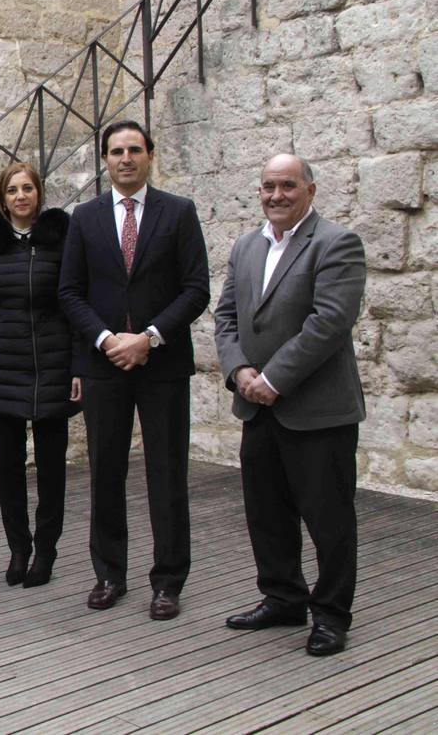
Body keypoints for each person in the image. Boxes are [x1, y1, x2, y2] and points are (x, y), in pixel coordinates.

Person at [214, 154, 365, 657]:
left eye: (287, 186)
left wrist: (274, 378)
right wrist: (239, 371)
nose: (276, 195)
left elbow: (329, 322)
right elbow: (226, 317)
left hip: (317, 411)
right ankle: (282, 598)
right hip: (256, 406)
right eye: (268, 186)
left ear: (310, 191)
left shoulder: (336, 243)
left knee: (329, 519)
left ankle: (331, 615)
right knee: (267, 513)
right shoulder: (246, 246)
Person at [58, 119, 209, 621]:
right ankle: (109, 574)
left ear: (150, 155)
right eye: (116, 151)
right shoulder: (85, 217)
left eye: (134, 150)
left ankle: (168, 582)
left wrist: (148, 338)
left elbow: (196, 289)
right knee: (105, 472)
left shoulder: (179, 212)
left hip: (162, 364)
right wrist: (106, 340)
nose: (125, 158)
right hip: (104, 365)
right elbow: (69, 291)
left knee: (167, 474)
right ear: (105, 159)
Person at [0, 162, 80, 589]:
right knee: (9, 469)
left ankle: (46, 550)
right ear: (3, 197)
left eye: (27, 188)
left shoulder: (61, 239)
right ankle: (18, 548)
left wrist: (78, 367)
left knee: (51, 470)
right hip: (3, 363)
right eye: (12, 190)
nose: (20, 196)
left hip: (52, 363)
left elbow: (75, 302)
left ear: (39, 193)